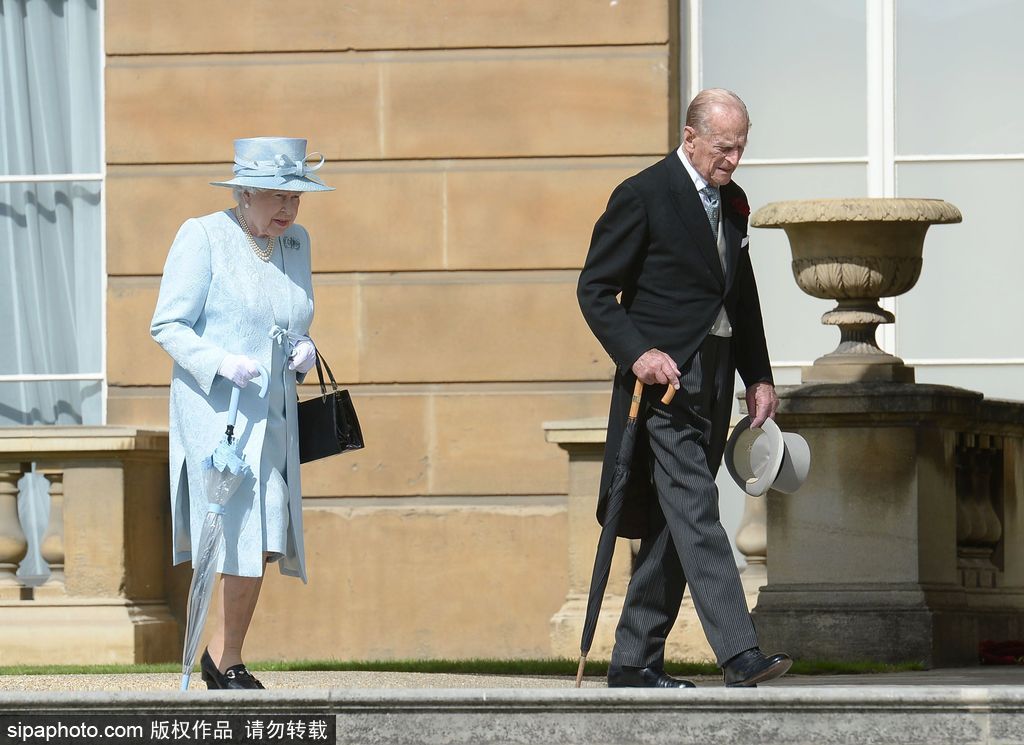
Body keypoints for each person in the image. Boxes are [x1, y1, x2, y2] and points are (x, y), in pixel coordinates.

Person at [577, 89, 791, 688]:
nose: (734, 160)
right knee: (698, 510)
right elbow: (594, 289)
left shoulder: (734, 201)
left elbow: (739, 295)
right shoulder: (643, 194)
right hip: (665, 383)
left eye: (741, 148)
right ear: (691, 136)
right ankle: (740, 652)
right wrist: (638, 354)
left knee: (676, 522)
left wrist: (760, 375)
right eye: (724, 147)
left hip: (717, 375)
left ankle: (633, 659)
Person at [151, 137, 334, 689]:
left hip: (273, 414)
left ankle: (223, 654)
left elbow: (290, 317)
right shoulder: (202, 235)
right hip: (218, 414)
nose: (288, 209)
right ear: (245, 193)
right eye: (277, 197)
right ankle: (224, 661)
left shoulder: (296, 243)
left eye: (295, 198)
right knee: (235, 529)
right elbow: (168, 325)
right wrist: (219, 361)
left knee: (267, 525)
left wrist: (303, 351)